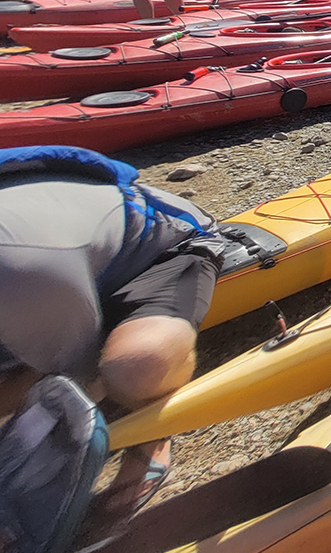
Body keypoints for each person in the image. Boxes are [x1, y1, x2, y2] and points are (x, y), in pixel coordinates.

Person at [0, 145, 224, 515]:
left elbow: (68, 388)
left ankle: (150, 440)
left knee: (136, 368)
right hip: (62, 271)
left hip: (158, 248)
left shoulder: (20, 269)